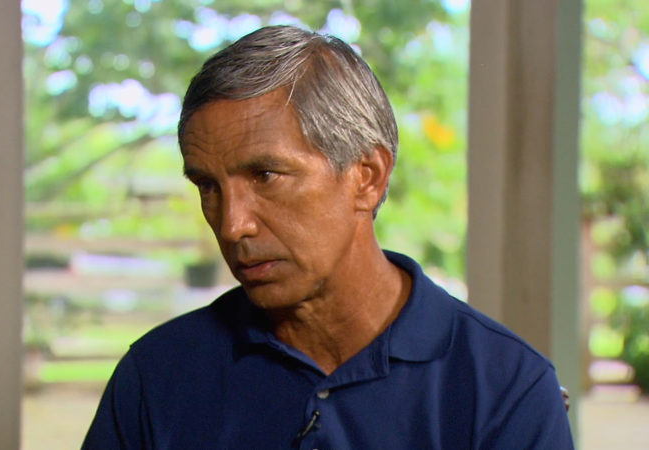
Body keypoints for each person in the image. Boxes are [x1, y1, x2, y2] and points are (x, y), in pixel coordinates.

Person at [83, 25, 574, 449]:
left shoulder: (506, 389)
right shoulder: (156, 376)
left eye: (265, 176)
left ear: (367, 177)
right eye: (208, 186)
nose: (232, 225)